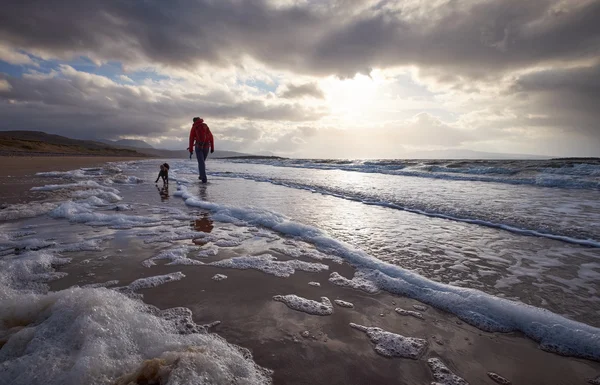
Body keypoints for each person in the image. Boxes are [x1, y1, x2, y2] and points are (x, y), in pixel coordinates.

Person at [188, 117, 214, 183]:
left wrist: (191, 150)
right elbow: (211, 136)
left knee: (201, 162)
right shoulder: (205, 126)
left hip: (198, 146)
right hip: (207, 147)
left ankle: (204, 178)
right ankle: (201, 175)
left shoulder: (194, 127)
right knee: (202, 162)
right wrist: (212, 147)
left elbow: (191, 139)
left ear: (194, 121)